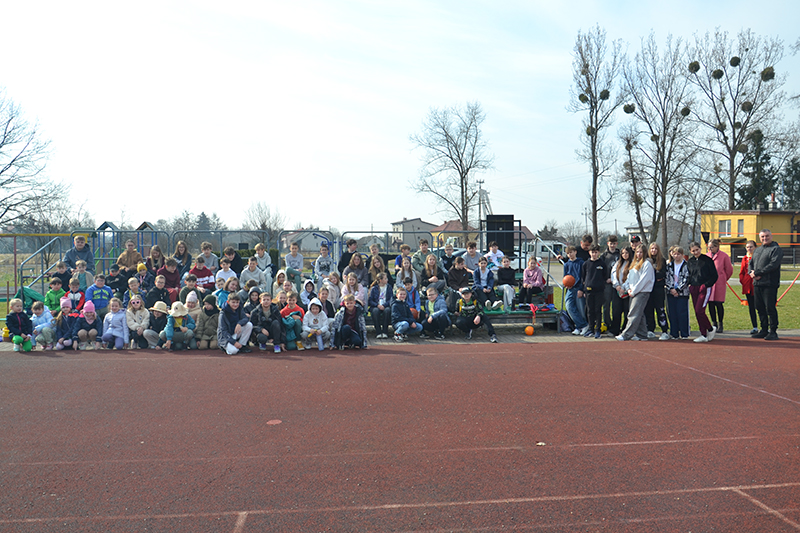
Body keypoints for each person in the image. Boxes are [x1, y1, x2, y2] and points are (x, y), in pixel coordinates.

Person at [749, 229, 783, 340]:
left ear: (771, 236)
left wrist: (759, 273)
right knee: (759, 307)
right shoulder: (757, 250)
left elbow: (773, 265)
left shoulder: (776, 249)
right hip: (757, 283)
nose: (765, 238)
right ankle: (764, 329)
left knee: (770, 308)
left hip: (769, 284)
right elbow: (751, 263)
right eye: (762, 236)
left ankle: (773, 331)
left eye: (767, 236)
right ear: (760, 238)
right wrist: (752, 273)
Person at [616, 243, 655, 341]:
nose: (639, 254)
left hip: (642, 292)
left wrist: (634, 291)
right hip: (633, 292)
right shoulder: (634, 264)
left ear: (645, 253)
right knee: (639, 314)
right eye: (637, 252)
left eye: (641, 252)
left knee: (633, 313)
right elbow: (629, 278)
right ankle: (642, 334)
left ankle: (626, 335)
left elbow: (644, 280)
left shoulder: (647, 264)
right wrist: (627, 288)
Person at [687, 241, 718, 343]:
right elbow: (689, 275)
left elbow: (714, 276)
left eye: (697, 250)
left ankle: (710, 329)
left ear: (700, 249)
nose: (696, 252)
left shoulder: (707, 260)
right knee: (697, 312)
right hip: (694, 288)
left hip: (704, 288)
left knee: (699, 310)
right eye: (693, 251)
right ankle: (703, 333)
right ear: (690, 251)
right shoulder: (690, 262)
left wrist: (706, 285)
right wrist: (690, 284)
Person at [705, 239, 733, 333]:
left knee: (718, 303)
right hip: (709, 283)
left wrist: (723, 278)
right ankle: (714, 323)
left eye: (712, 247)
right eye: (709, 247)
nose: (710, 249)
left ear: (717, 247)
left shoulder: (724, 256)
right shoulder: (706, 256)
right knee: (711, 303)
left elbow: (729, 270)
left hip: (719, 283)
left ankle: (720, 323)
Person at [582, 244, 609, 339]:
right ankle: (590, 329)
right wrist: (584, 289)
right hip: (589, 291)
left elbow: (605, 276)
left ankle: (598, 330)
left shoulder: (602, 264)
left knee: (598, 310)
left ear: (599, 253)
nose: (594, 254)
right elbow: (583, 277)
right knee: (590, 311)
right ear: (589, 253)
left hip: (599, 291)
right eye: (592, 252)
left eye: (596, 252)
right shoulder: (586, 264)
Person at [645, 242, 670, 340]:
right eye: (652, 248)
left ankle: (664, 330)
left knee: (660, 310)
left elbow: (662, 274)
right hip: (649, 289)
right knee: (649, 309)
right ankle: (650, 329)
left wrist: (654, 276)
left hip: (659, 289)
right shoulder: (647, 260)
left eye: (655, 248)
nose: (654, 250)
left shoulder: (662, 260)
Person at [665, 245, 690, 340]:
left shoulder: (686, 265)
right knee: (672, 313)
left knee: (682, 313)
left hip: (682, 293)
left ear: (682, 254)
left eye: (678, 254)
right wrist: (671, 288)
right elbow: (667, 278)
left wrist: (678, 290)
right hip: (671, 293)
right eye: (675, 254)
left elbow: (686, 278)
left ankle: (684, 333)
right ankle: (674, 333)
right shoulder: (669, 265)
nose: (676, 256)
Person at [563, 246, 588, 336]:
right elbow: (565, 276)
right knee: (569, 306)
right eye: (568, 253)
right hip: (570, 289)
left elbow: (583, 277)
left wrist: (581, 289)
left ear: (575, 252)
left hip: (579, 288)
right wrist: (566, 284)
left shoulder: (581, 263)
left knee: (580, 308)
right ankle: (582, 325)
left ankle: (581, 326)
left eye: (571, 252)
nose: (570, 254)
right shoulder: (566, 264)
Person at [610, 246, 633, 336]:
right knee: (616, 310)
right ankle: (615, 330)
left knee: (627, 311)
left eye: (626, 253)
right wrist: (617, 285)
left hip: (627, 290)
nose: (625, 255)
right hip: (617, 290)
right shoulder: (618, 263)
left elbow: (631, 277)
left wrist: (624, 287)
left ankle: (625, 330)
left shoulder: (632, 264)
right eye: (623, 253)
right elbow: (613, 274)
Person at [600, 235, 621, 330]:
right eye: (611, 243)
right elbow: (601, 269)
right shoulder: (604, 256)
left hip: (618, 283)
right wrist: (606, 279)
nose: (612, 245)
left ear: (616, 244)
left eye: (614, 243)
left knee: (616, 306)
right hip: (607, 283)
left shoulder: (619, 254)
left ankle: (615, 325)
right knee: (606, 305)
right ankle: (607, 323)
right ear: (608, 243)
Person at [739, 240, 759, 334]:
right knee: (751, 307)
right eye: (747, 247)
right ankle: (755, 326)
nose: (749, 249)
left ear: (755, 247)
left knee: (760, 306)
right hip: (747, 286)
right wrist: (743, 281)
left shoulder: (758, 257)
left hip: (757, 285)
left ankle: (765, 326)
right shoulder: (745, 258)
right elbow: (742, 272)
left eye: (751, 247)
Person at [368, 272, 393, 338]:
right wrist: (377, 305)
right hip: (376, 306)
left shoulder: (389, 287)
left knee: (387, 311)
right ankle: (378, 332)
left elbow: (391, 299)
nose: (387, 279)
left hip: (386, 306)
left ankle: (385, 332)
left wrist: (384, 305)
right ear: (380, 280)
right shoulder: (374, 288)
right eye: (385, 278)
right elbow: (370, 300)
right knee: (375, 311)